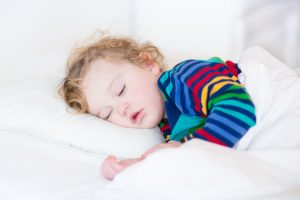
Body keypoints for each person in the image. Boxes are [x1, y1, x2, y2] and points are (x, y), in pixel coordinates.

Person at [58, 34, 256, 180]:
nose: (122, 109)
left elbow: (239, 110)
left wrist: (182, 150)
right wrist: (139, 166)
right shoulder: (169, 126)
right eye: (107, 113)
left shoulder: (185, 78)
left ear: (147, 64)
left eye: (120, 90)